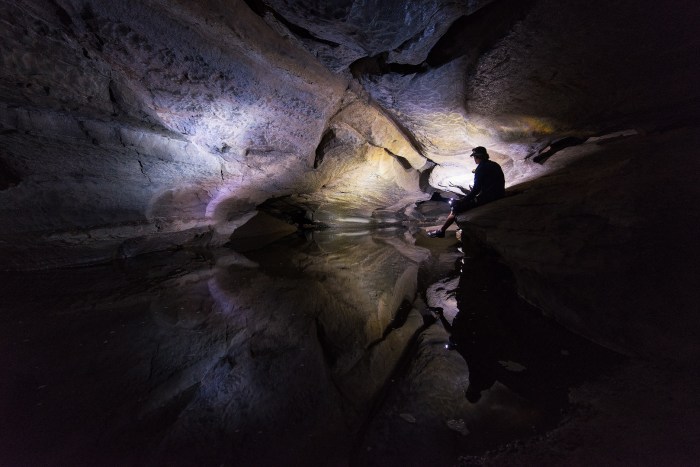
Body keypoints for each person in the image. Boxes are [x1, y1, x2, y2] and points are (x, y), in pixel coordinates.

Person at [427, 146, 505, 238]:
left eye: (474, 157)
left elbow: (476, 190)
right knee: (465, 202)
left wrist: (462, 201)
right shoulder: (495, 164)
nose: (474, 159)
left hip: (489, 197)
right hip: (499, 193)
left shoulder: (480, 168)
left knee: (455, 208)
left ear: (477, 157)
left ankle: (441, 231)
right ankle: (442, 230)